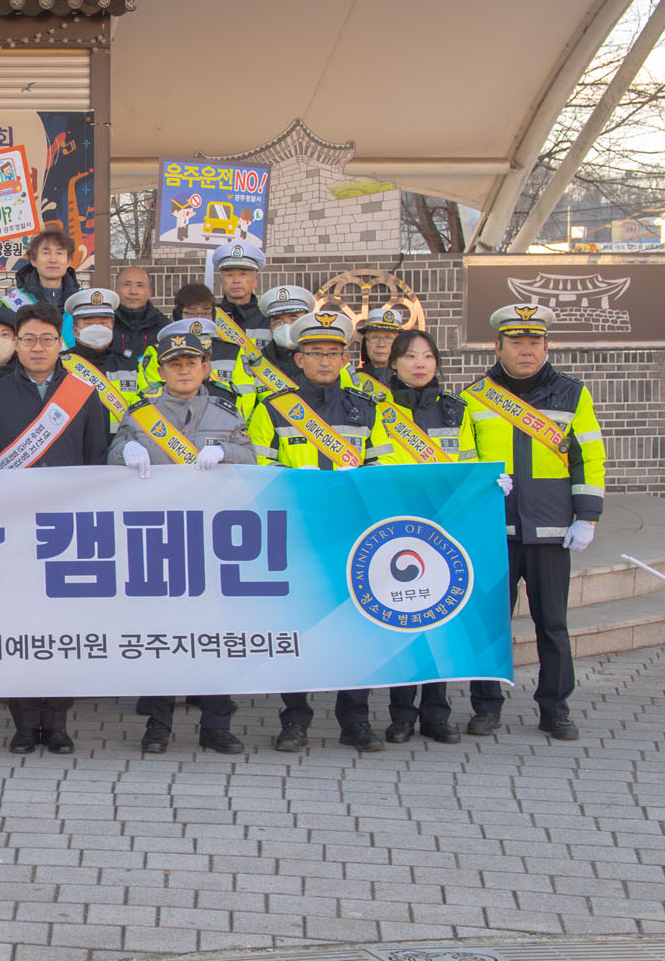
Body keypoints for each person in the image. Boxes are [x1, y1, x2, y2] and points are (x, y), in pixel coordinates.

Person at [107, 321, 254, 756]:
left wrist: (226, 451)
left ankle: (216, 724)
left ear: (205, 367)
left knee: (217, 633)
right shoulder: (141, 414)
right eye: (175, 364)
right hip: (159, 537)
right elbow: (112, 453)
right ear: (162, 371)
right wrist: (126, 450)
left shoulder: (227, 413)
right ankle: (158, 724)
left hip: (213, 538)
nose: (184, 370)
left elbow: (253, 457)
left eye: (191, 362)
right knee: (161, 633)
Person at [0, 302, 108, 755]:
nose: (37, 348)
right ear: (15, 343)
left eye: (46, 339)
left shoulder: (84, 395)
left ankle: (58, 722)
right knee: (19, 625)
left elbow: (96, 461)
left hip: (68, 531)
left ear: (60, 343)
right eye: (28, 339)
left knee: (63, 627)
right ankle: (25, 722)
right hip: (13, 530)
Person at [248, 311, 390, 754]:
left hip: (353, 536)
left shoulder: (366, 409)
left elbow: (382, 471)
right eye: (315, 353)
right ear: (299, 358)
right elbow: (258, 472)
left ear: (346, 358)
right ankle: (295, 720)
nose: (324, 360)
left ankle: (356, 720)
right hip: (295, 535)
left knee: (358, 630)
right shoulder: (273, 408)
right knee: (297, 630)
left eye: (333, 352)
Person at [463, 304, 606, 742]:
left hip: (551, 530)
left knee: (553, 626)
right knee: (490, 625)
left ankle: (555, 708)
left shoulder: (573, 394)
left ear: (547, 346)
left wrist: (587, 516)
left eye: (534, 342)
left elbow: (589, 456)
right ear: (497, 346)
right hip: (495, 530)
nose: (526, 350)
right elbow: (465, 460)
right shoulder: (474, 397)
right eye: (516, 342)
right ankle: (486, 707)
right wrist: (479, 489)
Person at [376, 328, 485, 746]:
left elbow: (469, 466)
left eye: (427, 356)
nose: (419, 364)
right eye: (410, 356)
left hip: (445, 531)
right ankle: (402, 715)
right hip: (397, 529)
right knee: (402, 625)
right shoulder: (378, 410)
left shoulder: (457, 410)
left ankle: (437, 714)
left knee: (440, 624)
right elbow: (379, 468)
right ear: (394, 363)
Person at [138, 283, 256, 412]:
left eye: (205, 313)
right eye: (191, 312)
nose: (198, 319)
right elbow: (151, 395)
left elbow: (246, 397)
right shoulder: (158, 351)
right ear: (178, 315)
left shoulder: (232, 352)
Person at [61, 289, 134, 431]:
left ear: (112, 327)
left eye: (103, 323)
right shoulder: (61, 365)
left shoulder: (131, 365)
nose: (97, 329)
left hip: (121, 442)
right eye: (89, 324)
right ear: (75, 330)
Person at [2, 229, 80, 346]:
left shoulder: (82, 302)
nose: (53, 259)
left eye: (59, 253)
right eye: (46, 253)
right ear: (33, 260)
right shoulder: (12, 303)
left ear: (68, 261)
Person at [112, 265, 169, 391]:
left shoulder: (164, 327)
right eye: (127, 284)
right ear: (116, 290)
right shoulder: (107, 324)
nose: (133, 291)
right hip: (114, 395)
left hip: (154, 396)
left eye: (140, 285)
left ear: (149, 293)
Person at [254, 284, 311, 389]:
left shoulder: (325, 359)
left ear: (306, 323)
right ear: (271, 329)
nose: (286, 326)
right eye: (278, 320)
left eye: (293, 319)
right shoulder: (257, 363)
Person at [212, 239, 268, 334]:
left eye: (243, 274)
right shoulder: (210, 316)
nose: (236, 280)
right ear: (221, 281)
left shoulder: (267, 318)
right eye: (229, 275)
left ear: (255, 281)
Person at [354, 305, 405, 402]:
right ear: (365, 343)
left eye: (388, 338)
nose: (381, 344)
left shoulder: (410, 380)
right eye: (375, 337)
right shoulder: (353, 379)